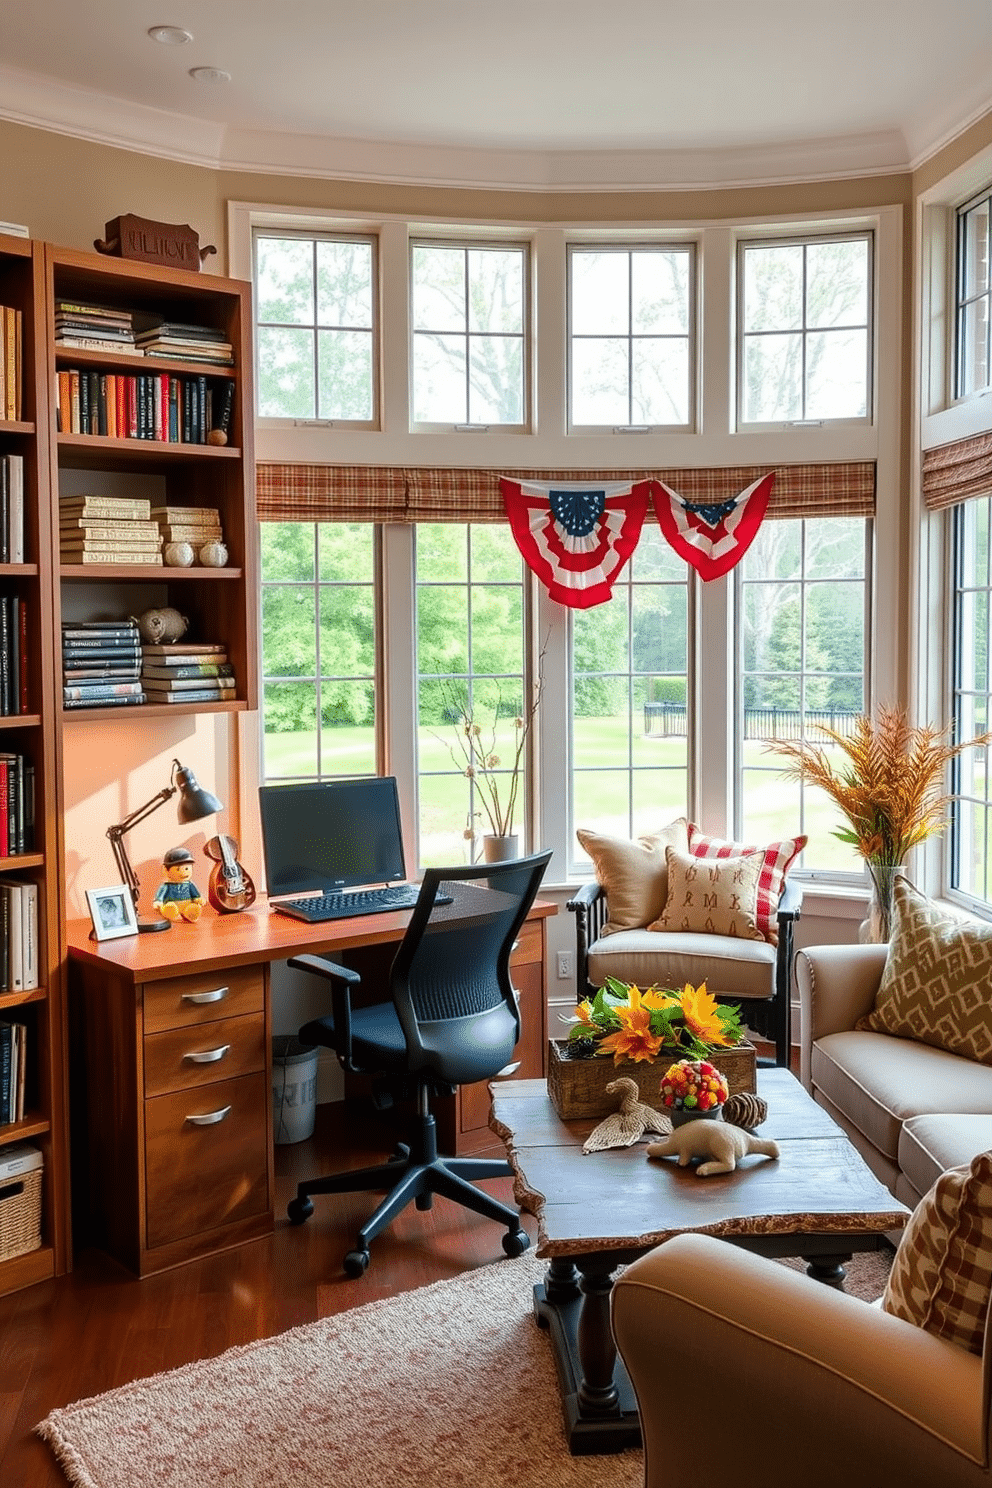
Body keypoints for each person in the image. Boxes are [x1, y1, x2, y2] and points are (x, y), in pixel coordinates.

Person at [152, 846, 206, 923]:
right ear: (166, 870)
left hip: (187, 905)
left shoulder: (189, 884)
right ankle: (170, 912)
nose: (184, 873)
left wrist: (198, 899)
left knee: (193, 908)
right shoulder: (166, 885)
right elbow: (160, 895)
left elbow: (195, 895)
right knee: (170, 907)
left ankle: (190, 913)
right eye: (178, 869)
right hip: (172, 904)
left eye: (187, 868)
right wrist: (158, 901)